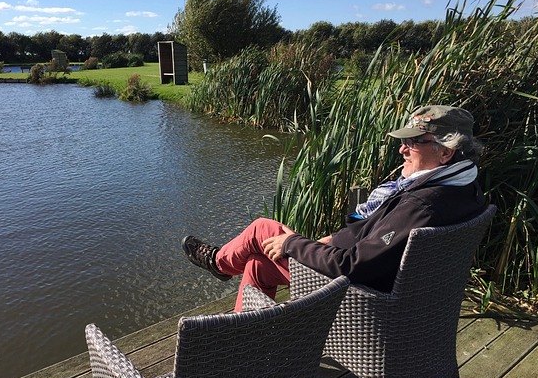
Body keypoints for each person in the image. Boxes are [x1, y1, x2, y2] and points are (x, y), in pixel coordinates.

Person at [182, 105, 487, 311]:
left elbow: (352, 265)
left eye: (415, 142)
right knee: (257, 266)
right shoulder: (465, 189)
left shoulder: (422, 203)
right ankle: (245, 333)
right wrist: (332, 239)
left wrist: (293, 243)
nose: (402, 149)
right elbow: (378, 239)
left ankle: (220, 264)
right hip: (392, 288)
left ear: (445, 153)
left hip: (360, 295)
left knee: (264, 228)